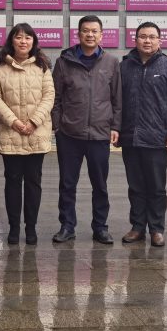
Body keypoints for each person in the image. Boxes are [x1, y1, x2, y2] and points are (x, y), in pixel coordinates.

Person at [50, 15, 121, 245]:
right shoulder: (64, 62)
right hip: (69, 134)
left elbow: (117, 99)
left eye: (94, 31)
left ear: (101, 35)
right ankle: (67, 226)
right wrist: (57, 126)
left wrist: (115, 126)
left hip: (99, 134)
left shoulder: (111, 62)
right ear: (78, 34)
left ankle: (100, 227)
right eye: (85, 31)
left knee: (100, 184)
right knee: (67, 183)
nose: (90, 35)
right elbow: (55, 97)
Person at [119, 22, 167, 247]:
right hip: (130, 137)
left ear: (160, 40)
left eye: (152, 37)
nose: (147, 41)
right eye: (142, 36)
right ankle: (138, 226)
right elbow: (117, 101)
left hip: (157, 138)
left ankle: (157, 228)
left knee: (156, 186)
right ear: (135, 39)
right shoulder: (124, 66)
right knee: (135, 186)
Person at [0, 23, 55, 245]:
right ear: (11, 41)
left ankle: (31, 228)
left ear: (34, 42)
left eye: (27, 37)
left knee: (34, 182)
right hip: (10, 133)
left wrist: (34, 122)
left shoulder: (43, 67)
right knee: (13, 181)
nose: (23, 41)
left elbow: (49, 97)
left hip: (37, 132)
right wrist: (14, 122)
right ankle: (14, 228)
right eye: (18, 37)